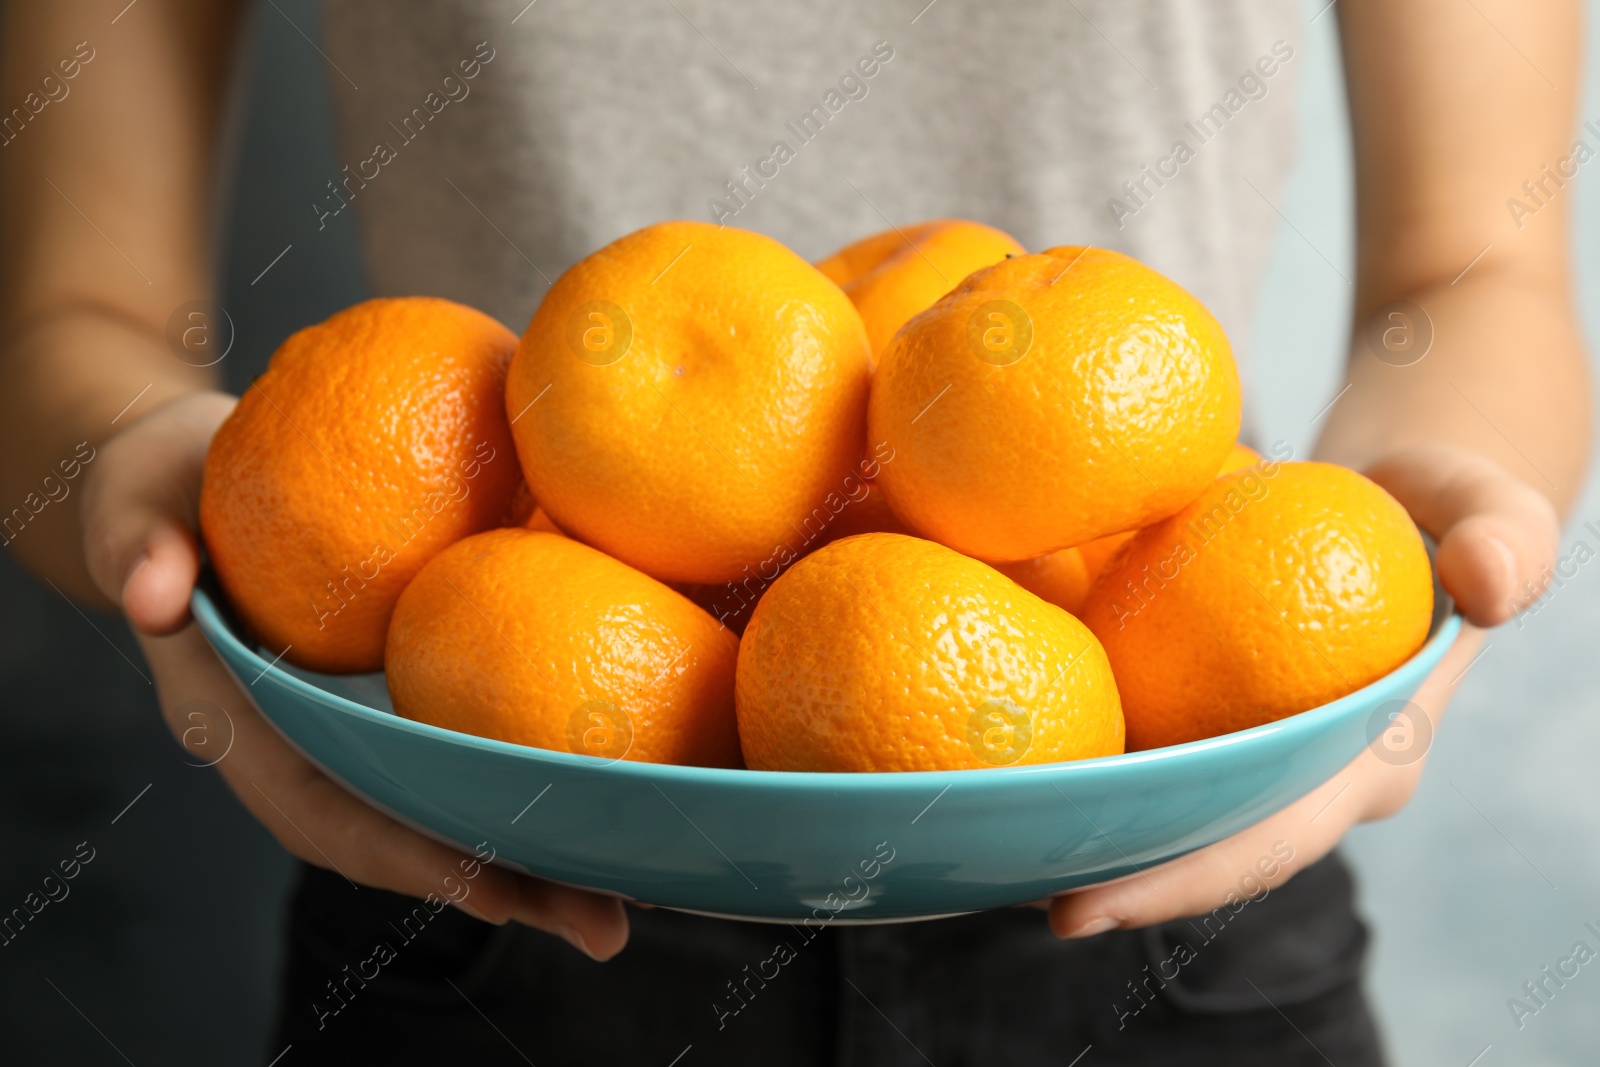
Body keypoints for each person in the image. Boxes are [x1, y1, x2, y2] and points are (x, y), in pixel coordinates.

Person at [1, 0, 1589, 1062]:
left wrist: (1422, 519)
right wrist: (159, 480)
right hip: (486, 845)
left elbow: (1476, 268)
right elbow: (77, 313)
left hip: (1178, 819)